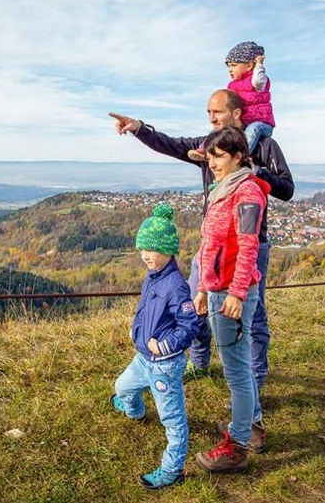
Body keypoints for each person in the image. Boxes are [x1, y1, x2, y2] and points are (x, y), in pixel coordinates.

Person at [109, 90, 294, 429]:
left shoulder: (263, 147)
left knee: (253, 319)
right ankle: (200, 360)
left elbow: (286, 188)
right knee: (192, 303)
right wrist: (138, 128)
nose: (211, 117)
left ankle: (253, 385)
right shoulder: (211, 145)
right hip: (212, 248)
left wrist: (254, 171)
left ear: (237, 114)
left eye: (217, 111)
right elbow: (172, 144)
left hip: (248, 248)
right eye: (208, 112)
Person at [192, 126, 269, 472]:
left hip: (232, 294)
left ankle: (237, 445)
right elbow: (211, 246)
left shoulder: (247, 192)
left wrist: (236, 293)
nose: (212, 163)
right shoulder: (222, 189)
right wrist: (204, 287)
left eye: (219, 156)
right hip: (218, 289)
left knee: (237, 371)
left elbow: (248, 246)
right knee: (237, 368)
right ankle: (243, 428)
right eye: (209, 156)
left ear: (239, 156)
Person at [111, 204, 199, 489]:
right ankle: (134, 411)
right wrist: (137, 332)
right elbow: (146, 310)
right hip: (143, 358)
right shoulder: (153, 275)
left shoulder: (176, 285)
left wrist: (163, 346)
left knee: (172, 420)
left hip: (164, 364)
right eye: (141, 249)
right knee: (122, 388)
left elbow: (190, 326)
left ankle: (172, 469)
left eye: (150, 249)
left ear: (168, 250)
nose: (144, 255)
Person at [189, 41, 275, 160]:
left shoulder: (258, 82)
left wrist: (259, 64)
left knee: (252, 131)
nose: (230, 69)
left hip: (262, 123)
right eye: (229, 66)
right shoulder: (232, 85)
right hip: (244, 122)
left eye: (234, 65)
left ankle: (241, 157)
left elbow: (258, 80)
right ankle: (204, 150)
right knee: (217, 130)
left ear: (249, 66)